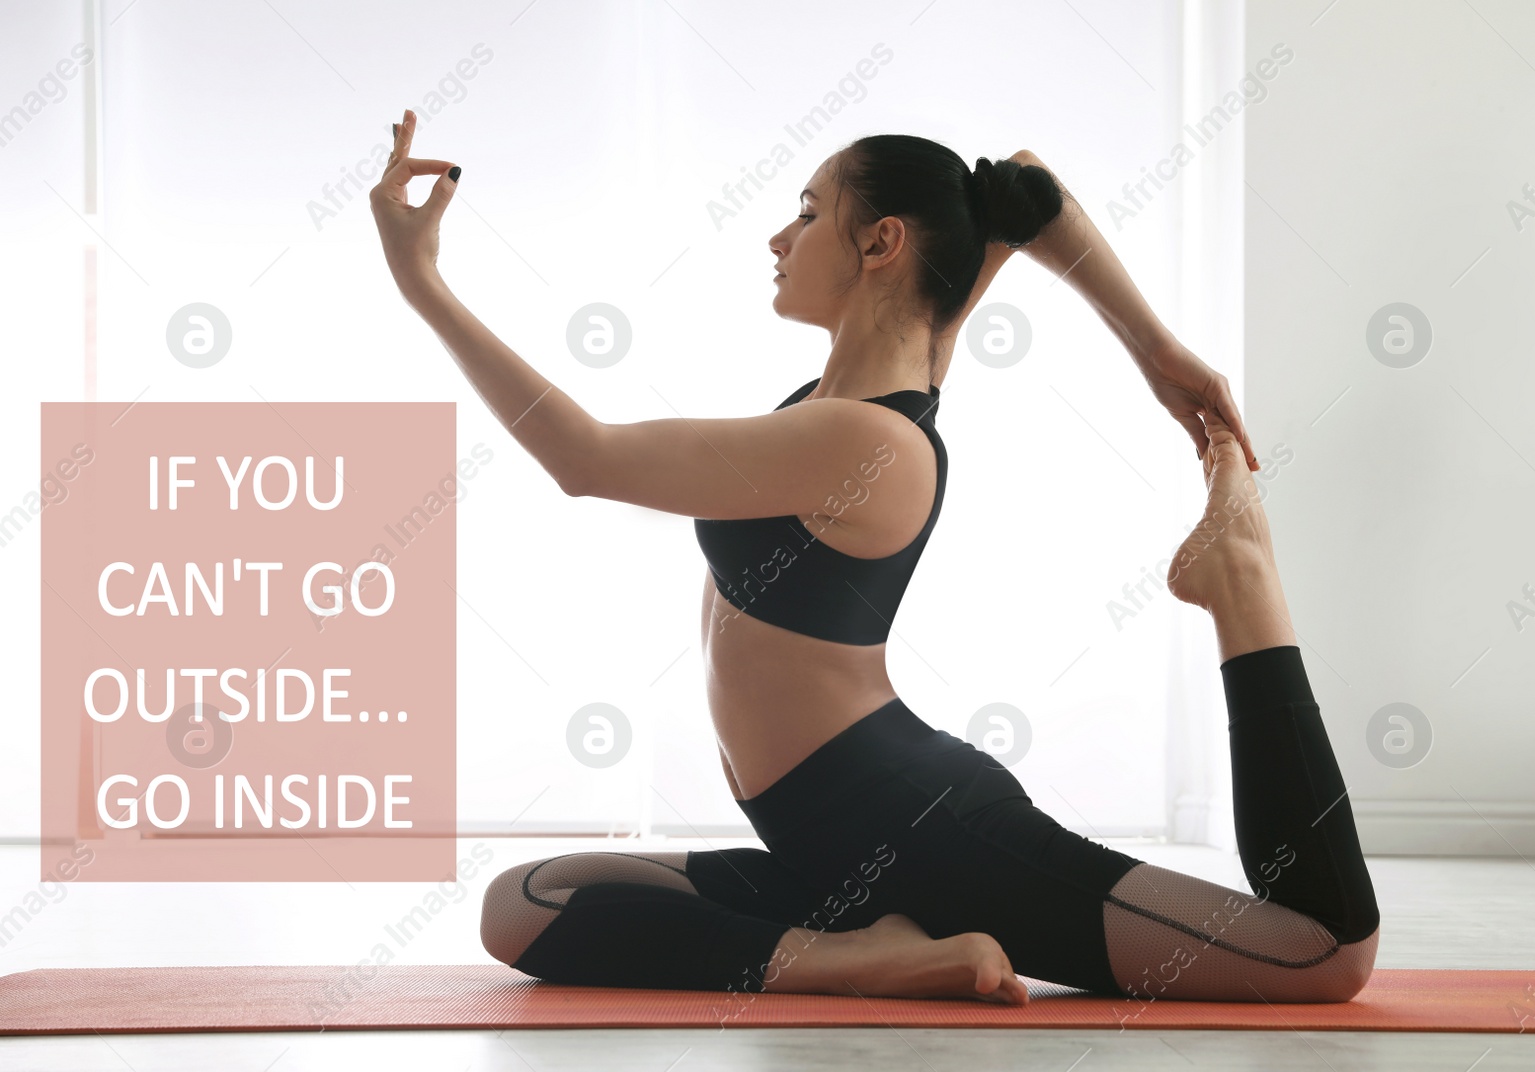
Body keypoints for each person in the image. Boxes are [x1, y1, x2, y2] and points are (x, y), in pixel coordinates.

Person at [371, 111, 1380, 1007]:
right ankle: (863, 951)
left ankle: (1240, 580)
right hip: (829, 844)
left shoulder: (871, 443)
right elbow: (1022, 188)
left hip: (929, 832)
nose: (778, 235)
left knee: (1319, 954)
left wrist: (421, 281)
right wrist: (1158, 352)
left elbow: (582, 458)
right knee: (526, 906)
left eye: (806, 211)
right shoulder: (860, 395)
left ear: (881, 241)